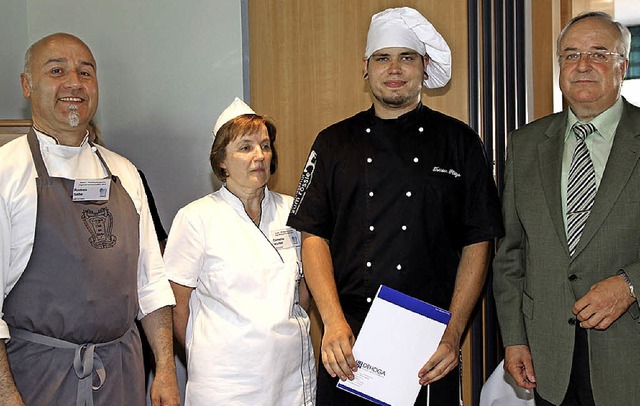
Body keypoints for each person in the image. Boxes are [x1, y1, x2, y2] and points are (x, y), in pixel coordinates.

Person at [287, 7, 504, 405]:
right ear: (365, 68)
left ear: (424, 66)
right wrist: (332, 321)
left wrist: (452, 334)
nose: (395, 69)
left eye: (407, 57)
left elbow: (479, 243)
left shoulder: (460, 143)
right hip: (348, 340)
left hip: (427, 343)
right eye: (382, 58)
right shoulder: (333, 143)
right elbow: (313, 234)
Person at [0, 33, 179, 405]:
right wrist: (6, 394)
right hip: (35, 380)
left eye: (86, 72)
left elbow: (151, 283)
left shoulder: (124, 173)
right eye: (56, 70)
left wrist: (164, 369)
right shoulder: (6, 173)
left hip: (120, 377)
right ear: (26, 85)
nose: (73, 83)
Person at [493, 11, 640, 406]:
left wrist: (630, 284)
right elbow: (510, 254)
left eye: (598, 54)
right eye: (571, 55)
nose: (583, 66)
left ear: (622, 66)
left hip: (631, 357)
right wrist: (514, 339)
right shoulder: (524, 145)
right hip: (549, 362)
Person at [164, 97, 316, 405]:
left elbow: (302, 292)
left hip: (289, 377)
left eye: (265, 145)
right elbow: (177, 307)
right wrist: (211, 350)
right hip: (226, 382)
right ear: (221, 160)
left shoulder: (292, 212)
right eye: (245, 147)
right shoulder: (196, 218)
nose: (259, 155)